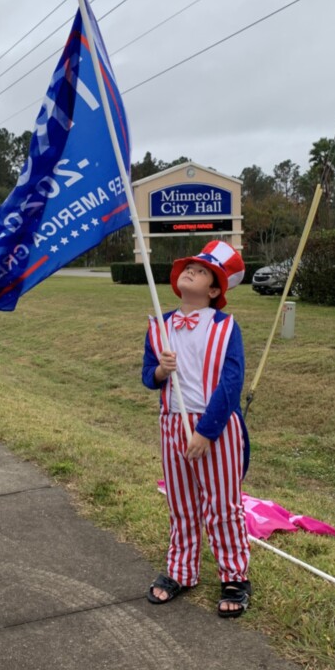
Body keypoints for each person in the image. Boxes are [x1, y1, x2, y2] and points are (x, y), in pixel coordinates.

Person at [142, 240, 252, 618]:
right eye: (189, 267)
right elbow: (148, 377)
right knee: (181, 503)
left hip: (214, 425)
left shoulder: (225, 327)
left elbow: (231, 382)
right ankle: (181, 570)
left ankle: (234, 576)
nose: (190, 270)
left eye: (202, 271)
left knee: (222, 505)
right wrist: (161, 370)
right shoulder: (159, 326)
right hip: (172, 423)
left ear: (215, 289)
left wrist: (206, 432)